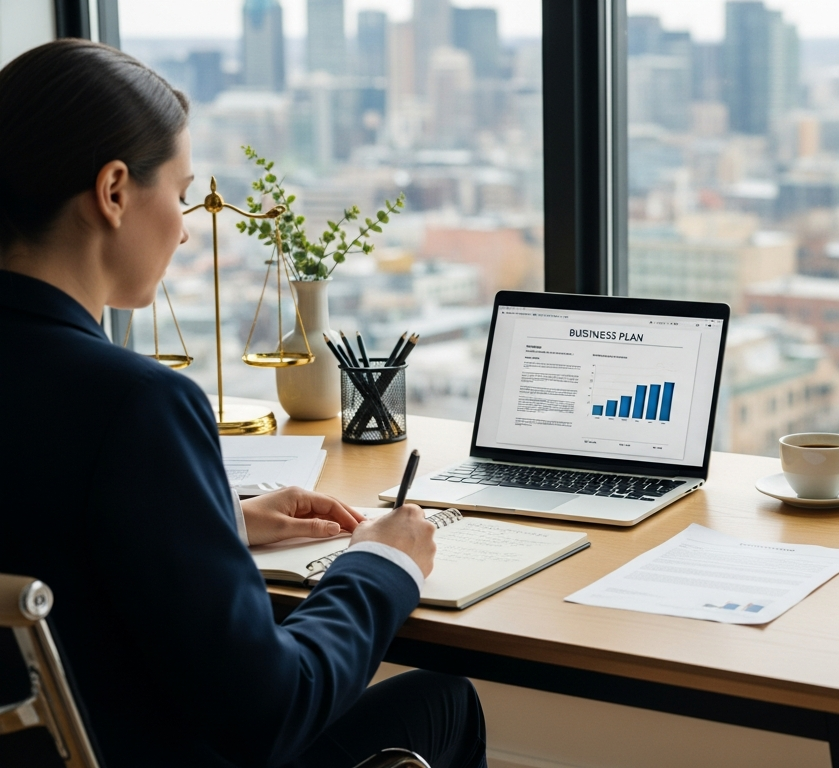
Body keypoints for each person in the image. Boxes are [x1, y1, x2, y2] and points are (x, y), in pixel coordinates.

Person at [0, 40, 486, 768]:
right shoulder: (137, 404)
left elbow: (41, 526)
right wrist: (383, 565)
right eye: (182, 191)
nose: (188, 225)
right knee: (443, 702)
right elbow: (270, 712)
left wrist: (218, 522)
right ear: (113, 191)